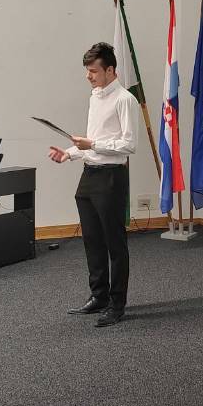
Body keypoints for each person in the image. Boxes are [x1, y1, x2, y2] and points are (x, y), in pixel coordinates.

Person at [49, 42, 138, 327]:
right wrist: (69, 153)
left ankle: (117, 304)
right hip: (89, 175)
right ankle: (99, 296)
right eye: (87, 71)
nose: (88, 76)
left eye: (93, 71)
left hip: (111, 177)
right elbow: (92, 140)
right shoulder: (95, 97)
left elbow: (129, 145)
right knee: (92, 240)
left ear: (110, 70)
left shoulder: (125, 99)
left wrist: (92, 144)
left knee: (115, 243)